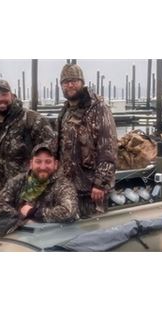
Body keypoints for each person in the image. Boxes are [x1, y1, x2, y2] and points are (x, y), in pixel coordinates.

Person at [56, 63, 118, 218]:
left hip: (91, 190)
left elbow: (109, 149)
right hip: (68, 188)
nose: (70, 85)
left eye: (74, 81)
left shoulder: (99, 108)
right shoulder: (65, 111)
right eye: (65, 82)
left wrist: (100, 183)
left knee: (93, 228)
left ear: (82, 83)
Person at [0, 79, 56, 186]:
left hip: (26, 188)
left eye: (4, 94)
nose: (1, 99)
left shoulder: (33, 120)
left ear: (11, 95)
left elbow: (51, 154)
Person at [0, 144, 78, 224]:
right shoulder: (17, 182)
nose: (43, 167)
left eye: (48, 162)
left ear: (55, 164)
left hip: (51, 233)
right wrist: (19, 216)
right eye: (38, 161)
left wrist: (34, 213)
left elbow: (69, 212)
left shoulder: (63, 185)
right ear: (31, 164)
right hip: (20, 232)